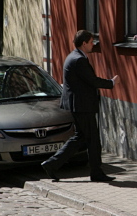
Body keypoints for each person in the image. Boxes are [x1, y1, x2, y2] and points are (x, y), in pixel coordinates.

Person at [42, 30, 119, 182]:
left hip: (78, 105)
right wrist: (111, 83)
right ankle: (96, 172)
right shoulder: (79, 60)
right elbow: (92, 80)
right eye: (91, 42)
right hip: (82, 105)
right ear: (84, 43)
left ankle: (52, 164)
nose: (93, 44)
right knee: (92, 140)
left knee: (81, 137)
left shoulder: (74, 56)